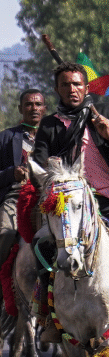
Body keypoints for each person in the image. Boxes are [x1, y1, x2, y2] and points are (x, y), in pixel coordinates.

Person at [33, 62, 109, 343]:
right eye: (65, 85)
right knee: (41, 246)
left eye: (77, 84)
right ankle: (49, 316)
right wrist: (55, 165)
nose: (71, 89)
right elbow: (39, 162)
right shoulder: (50, 125)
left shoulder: (106, 113)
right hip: (69, 203)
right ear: (57, 90)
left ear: (86, 87)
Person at [0, 89, 45, 269]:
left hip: (48, 197)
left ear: (44, 108)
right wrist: (12, 173)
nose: (33, 108)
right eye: (28, 104)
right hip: (15, 197)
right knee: (6, 233)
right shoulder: (5, 138)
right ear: (20, 108)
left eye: (38, 104)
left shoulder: (53, 137)